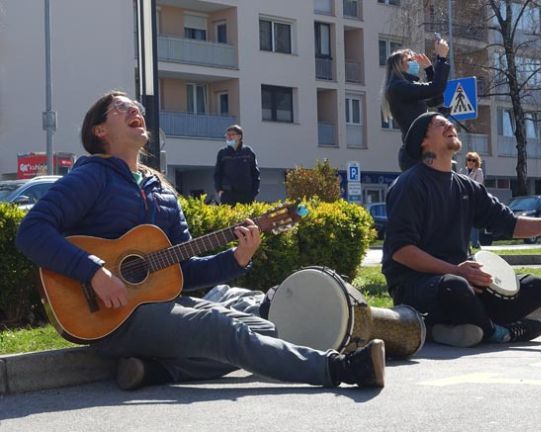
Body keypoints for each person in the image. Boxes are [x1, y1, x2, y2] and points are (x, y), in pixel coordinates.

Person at [15, 91, 385, 390]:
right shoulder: (91, 177)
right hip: (109, 318)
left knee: (264, 329)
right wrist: (95, 272)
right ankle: (338, 369)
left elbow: (184, 272)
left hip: (159, 307)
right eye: (121, 107)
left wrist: (238, 258)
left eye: (136, 106)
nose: (134, 110)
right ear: (99, 130)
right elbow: (32, 231)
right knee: (221, 330)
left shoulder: (162, 190)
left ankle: (159, 371)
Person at [382, 112, 541, 348]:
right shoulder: (409, 185)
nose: (449, 125)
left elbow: (510, 224)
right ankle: (498, 331)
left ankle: (460, 328)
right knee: (456, 287)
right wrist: (456, 270)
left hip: (464, 280)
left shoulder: (468, 188)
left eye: (449, 123)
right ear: (423, 141)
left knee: (536, 286)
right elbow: (401, 251)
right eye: (439, 124)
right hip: (418, 286)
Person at [382, 37, 450, 171]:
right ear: (398, 66)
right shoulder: (398, 87)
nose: (415, 62)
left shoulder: (407, 86)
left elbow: (436, 99)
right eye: (410, 60)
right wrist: (441, 59)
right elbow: (436, 88)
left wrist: (429, 70)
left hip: (422, 152)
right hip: (415, 155)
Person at [214, 124, 260, 205]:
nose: (229, 137)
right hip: (228, 194)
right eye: (227, 135)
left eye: (232, 134)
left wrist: (254, 192)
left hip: (246, 194)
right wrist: (219, 191)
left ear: (239, 136)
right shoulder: (222, 153)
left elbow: (255, 173)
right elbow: (217, 173)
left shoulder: (248, 152)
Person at [461, 151, 485, 248]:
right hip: (463, 200)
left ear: (476, 162)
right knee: (464, 223)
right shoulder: (462, 171)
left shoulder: (479, 171)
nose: (470, 162)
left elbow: (478, 185)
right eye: (469, 160)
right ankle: (465, 244)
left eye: (473, 160)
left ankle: (475, 243)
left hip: (474, 200)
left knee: (473, 222)